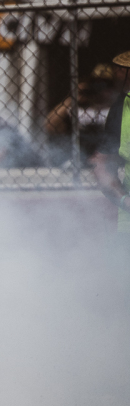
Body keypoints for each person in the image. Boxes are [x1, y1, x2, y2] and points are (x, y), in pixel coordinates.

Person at [92, 51, 130, 261]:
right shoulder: (119, 110)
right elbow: (102, 166)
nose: (118, 73)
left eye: (121, 69)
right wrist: (124, 200)